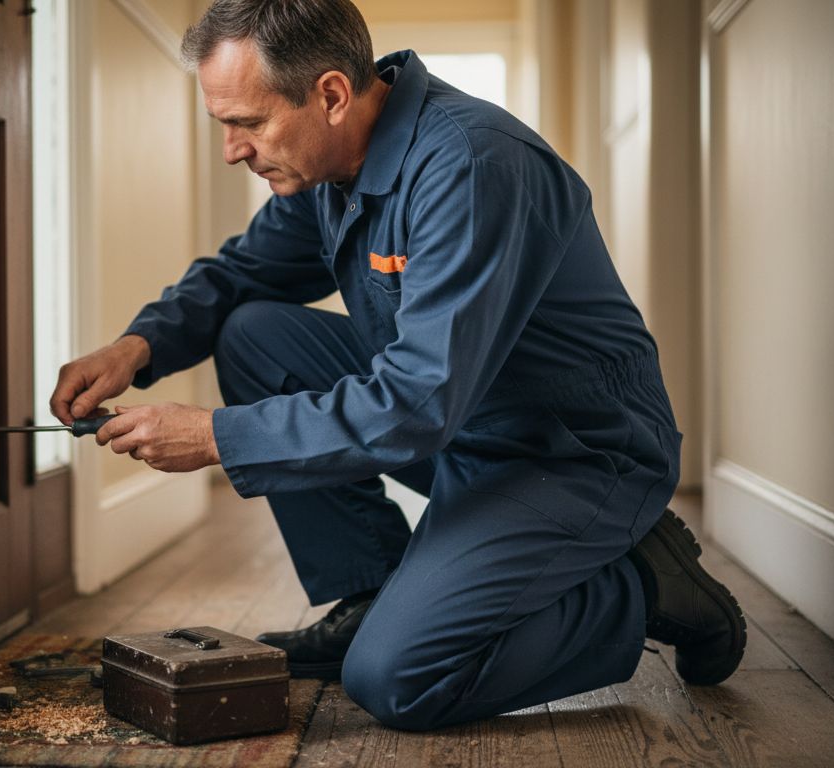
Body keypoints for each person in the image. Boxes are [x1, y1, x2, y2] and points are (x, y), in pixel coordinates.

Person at [50, 0, 745, 731]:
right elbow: (242, 274)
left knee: (398, 679)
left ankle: (640, 586)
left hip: (571, 453)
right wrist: (137, 346)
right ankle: (374, 595)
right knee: (254, 335)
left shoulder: (472, 165)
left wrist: (215, 436)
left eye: (248, 123)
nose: (232, 150)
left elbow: (418, 401)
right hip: (464, 422)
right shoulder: (326, 165)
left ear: (330, 95)